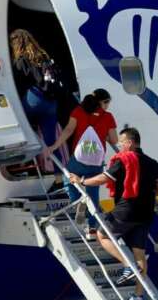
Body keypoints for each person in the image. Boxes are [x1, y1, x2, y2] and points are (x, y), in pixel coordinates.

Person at [70, 127, 158, 300]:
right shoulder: (153, 163)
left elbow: (103, 179)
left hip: (126, 210)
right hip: (145, 213)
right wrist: (145, 193)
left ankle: (127, 266)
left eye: (121, 142)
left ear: (129, 143)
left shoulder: (125, 160)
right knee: (140, 253)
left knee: (101, 234)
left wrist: (81, 181)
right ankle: (137, 297)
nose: (119, 146)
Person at [46, 89, 116, 233]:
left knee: (68, 179)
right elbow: (114, 139)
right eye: (107, 102)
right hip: (96, 161)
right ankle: (92, 226)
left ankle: (78, 201)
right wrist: (103, 136)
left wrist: (54, 146)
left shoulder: (78, 111)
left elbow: (68, 130)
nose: (108, 106)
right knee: (93, 192)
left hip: (79, 158)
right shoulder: (108, 117)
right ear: (102, 102)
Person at [10, 29, 62, 157]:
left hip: (34, 98)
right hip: (51, 102)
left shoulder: (21, 60)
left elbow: (18, 84)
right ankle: (59, 176)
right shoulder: (44, 56)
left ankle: (24, 160)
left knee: (21, 128)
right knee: (51, 143)